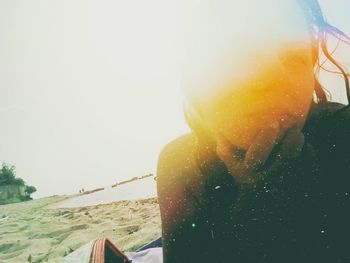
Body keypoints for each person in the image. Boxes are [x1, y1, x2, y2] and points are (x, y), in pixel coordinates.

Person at [157, 0, 350, 262]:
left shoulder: (342, 133)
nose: (275, 79)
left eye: (294, 57)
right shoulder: (180, 164)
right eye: (240, 55)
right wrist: (252, 214)